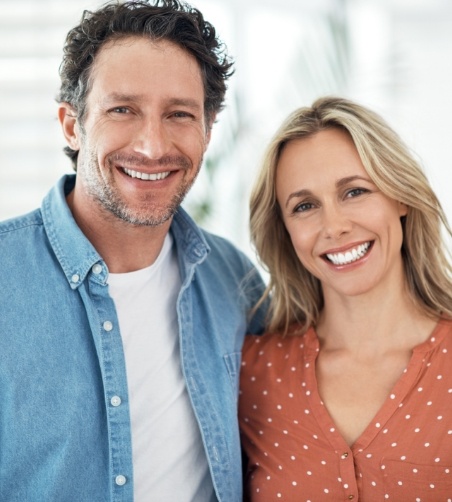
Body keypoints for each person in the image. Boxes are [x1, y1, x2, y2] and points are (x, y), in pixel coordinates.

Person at [0, 1, 266, 501]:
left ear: (208, 132)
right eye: (123, 109)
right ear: (71, 124)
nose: (151, 145)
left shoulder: (237, 283)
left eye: (179, 114)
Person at [239, 96, 452, 501]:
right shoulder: (251, 374)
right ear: (285, 231)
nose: (334, 226)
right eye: (304, 206)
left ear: (400, 196)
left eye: (354, 192)